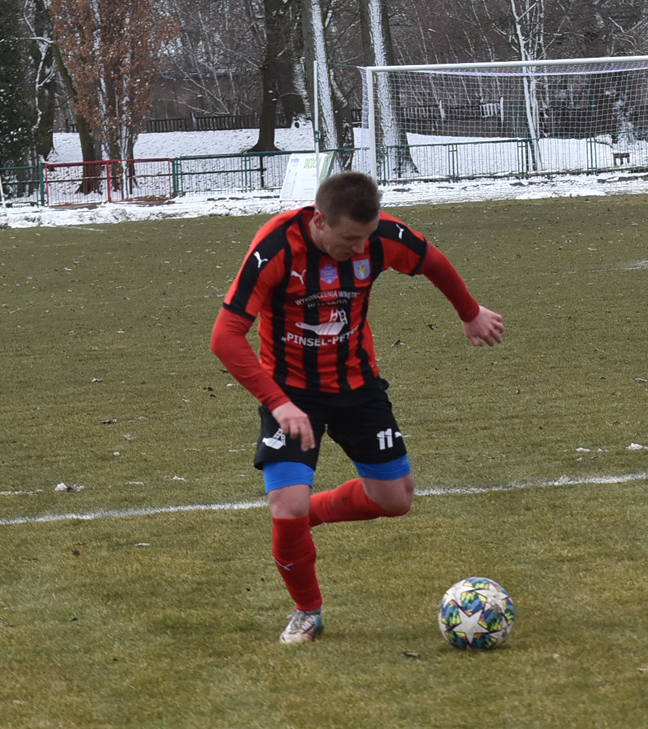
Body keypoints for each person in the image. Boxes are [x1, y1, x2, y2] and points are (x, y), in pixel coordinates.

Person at [210, 172, 504, 643]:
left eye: (366, 238)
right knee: (286, 505)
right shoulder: (275, 248)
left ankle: (312, 514)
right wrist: (278, 403)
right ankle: (308, 610)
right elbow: (224, 338)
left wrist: (469, 312)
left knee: (395, 500)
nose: (360, 248)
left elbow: (433, 262)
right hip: (291, 392)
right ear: (320, 220)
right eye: (350, 239)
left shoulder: (381, 237)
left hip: (357, 384)